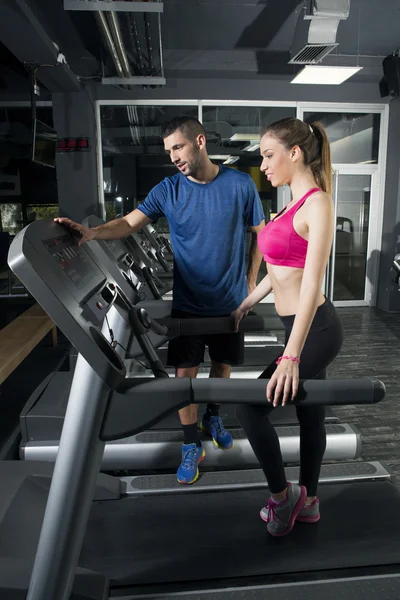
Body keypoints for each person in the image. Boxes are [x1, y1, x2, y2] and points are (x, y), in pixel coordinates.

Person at [55, 116, 265, 485]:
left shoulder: (241, 185)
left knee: (222, 366)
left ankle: (213, 414)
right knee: (185, 375)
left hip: (231, 302)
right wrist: (92, 232)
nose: (173, 157)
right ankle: (190, 443)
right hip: (188, 301)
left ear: (200, 141)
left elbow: (260, 235)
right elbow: (128, 223)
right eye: (169, 151)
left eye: (178, 147)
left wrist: (249, 283)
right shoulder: (168, 189)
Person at [232, 117, 344, 537]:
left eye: (268, 154)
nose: (263, 165)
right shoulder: (289, 207)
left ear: (294, 153)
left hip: (316, 329)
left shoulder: (317, 204)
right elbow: (278, 270)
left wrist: (290, 356)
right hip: (294, 324)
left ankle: (283, 498)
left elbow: (312, 281)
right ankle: (310, 502)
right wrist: (247, 302)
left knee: (249, 407)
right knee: (310, 417)